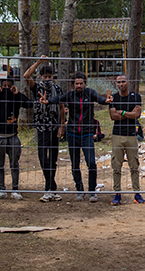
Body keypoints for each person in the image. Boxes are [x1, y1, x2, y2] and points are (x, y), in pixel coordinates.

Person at [44, 71, 112, 203]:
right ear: (73, 85)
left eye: (81, 83)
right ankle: (79, 190)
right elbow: (59, 99)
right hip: (73, 134)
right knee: (75, 164)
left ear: (85, 84)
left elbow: (99, 99)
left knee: (91, 162)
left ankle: (92, 191)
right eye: (76, 83)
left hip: (87, 133)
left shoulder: (90, 93)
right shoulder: (70, 95)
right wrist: (47, 101)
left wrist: (106, 100)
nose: (79, 85)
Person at [23, 56, 67, 202]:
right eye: (45, 76)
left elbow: (61, 107)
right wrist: (39, 62)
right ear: (41, 76)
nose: (47, 79)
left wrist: (62, 125)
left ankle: (50, 189)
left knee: (53, 158)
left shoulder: (57, 89)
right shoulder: (37, 88)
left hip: (54, 127)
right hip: (41, 127)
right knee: (43, 158)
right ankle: (50, 186)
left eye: (50, 76)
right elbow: (26, 76)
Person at [109, 74, 144, 205]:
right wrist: (129, 114)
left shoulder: (136, 97)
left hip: (131, 135)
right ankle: (117, 193)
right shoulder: (114, 98)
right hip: (117, 135)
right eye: (118, 82)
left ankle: (137, 192)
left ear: (128, 82)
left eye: (123, 81)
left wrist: (122, 112)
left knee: (134, 165)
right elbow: (113, 116)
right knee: (116, 166)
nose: (121, 84)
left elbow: (137, 114)